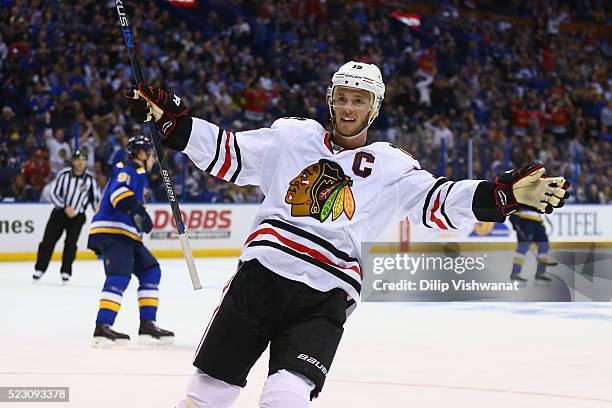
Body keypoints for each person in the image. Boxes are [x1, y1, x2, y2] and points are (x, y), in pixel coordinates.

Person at [127, 61, 570, 407]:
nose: (348, 108)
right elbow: (230, 153)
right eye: (342, 98)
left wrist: (500, 195)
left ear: (374, 108)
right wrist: (175, 125)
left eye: (359, 100)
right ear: (330, 99)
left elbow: (439, 202)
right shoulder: (291, 136)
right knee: (209, 393)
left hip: (326, 296)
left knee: (285, 398)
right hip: (262, 277)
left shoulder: (392, 164)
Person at [87, 135, 174, 347]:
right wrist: (138, 212)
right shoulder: (129, 169)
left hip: (127, 235)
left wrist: (139, 214)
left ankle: (147, 325)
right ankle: (102, 327)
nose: (153, 157)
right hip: (113, 231)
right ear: (141, 154)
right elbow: (119, 195)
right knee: (119, 275)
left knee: (150, 270)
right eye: (151, 153)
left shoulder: (139, 173)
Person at [33, 150, 99, 283]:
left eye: (83, 160)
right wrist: (65, 207)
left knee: (70, 244)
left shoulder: (90, 179)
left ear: (86, 162)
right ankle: (40, 268)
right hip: (59, 213)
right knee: (48, 241)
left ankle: (66, 271)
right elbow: (53, 193)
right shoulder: (64, 175)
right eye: (77, 159)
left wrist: (99, 212)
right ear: (73, 162)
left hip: (78, 216)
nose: (80, 162)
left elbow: (96, 199)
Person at [509, 210, 558, 281]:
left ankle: (541, 273)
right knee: (523, 247)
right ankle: (515, 272)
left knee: (544, 245)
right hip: (525, 221)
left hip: (538, 222)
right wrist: (514, 219)